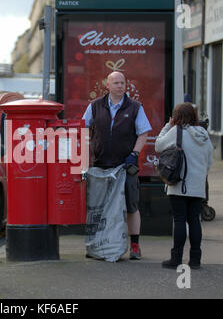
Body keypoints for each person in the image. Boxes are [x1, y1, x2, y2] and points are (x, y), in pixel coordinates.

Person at [82, 71, 152, 260]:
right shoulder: (95, 106)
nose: (120, 86)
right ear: (108, 85)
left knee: (131, 205)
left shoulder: (135, 107)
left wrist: (134, 154)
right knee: (99, 206)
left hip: (125, 166)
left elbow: (143, 133)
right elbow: (82, 128)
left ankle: (135, 246)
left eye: (123, 83)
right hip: (100, 166)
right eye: (116, 83)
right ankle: (96, 245)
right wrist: (88, 152)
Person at [155, 102, 213, 269]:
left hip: (179, 184)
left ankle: (176, 258)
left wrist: (168, 125)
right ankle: (195, 260)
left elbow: (159, 146)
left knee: (180, 220)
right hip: (197, 186)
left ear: (177, 116)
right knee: (194, 220)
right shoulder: (203, 134)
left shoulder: (176, 131)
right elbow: (208, 161)